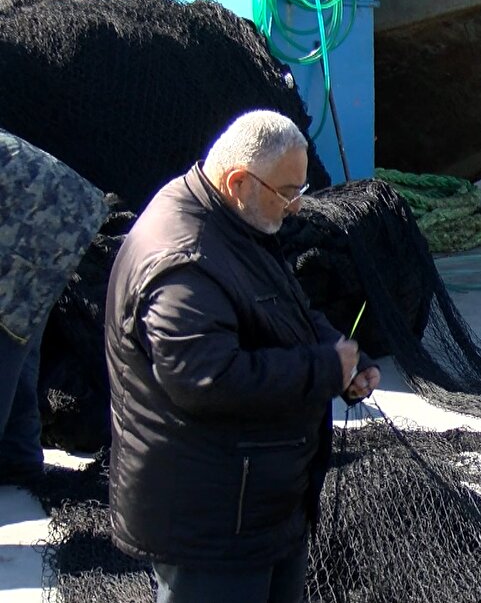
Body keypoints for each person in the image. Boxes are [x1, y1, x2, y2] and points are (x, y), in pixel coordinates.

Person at [105, 110, 381, 603]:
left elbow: (277, 307)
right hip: (210, 528)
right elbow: (206, 379)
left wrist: (340, 356)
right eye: (288, 192)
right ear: (238, 181)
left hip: (259, 507)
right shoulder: (183, 260)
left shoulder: (232, 219)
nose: (296, 207)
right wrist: (322, 368)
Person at [0, 129, 107, 487]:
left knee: (5, 339)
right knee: (20, 338)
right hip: (65, 214)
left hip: (35, 220)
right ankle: (17, 458)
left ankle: (17, 458)